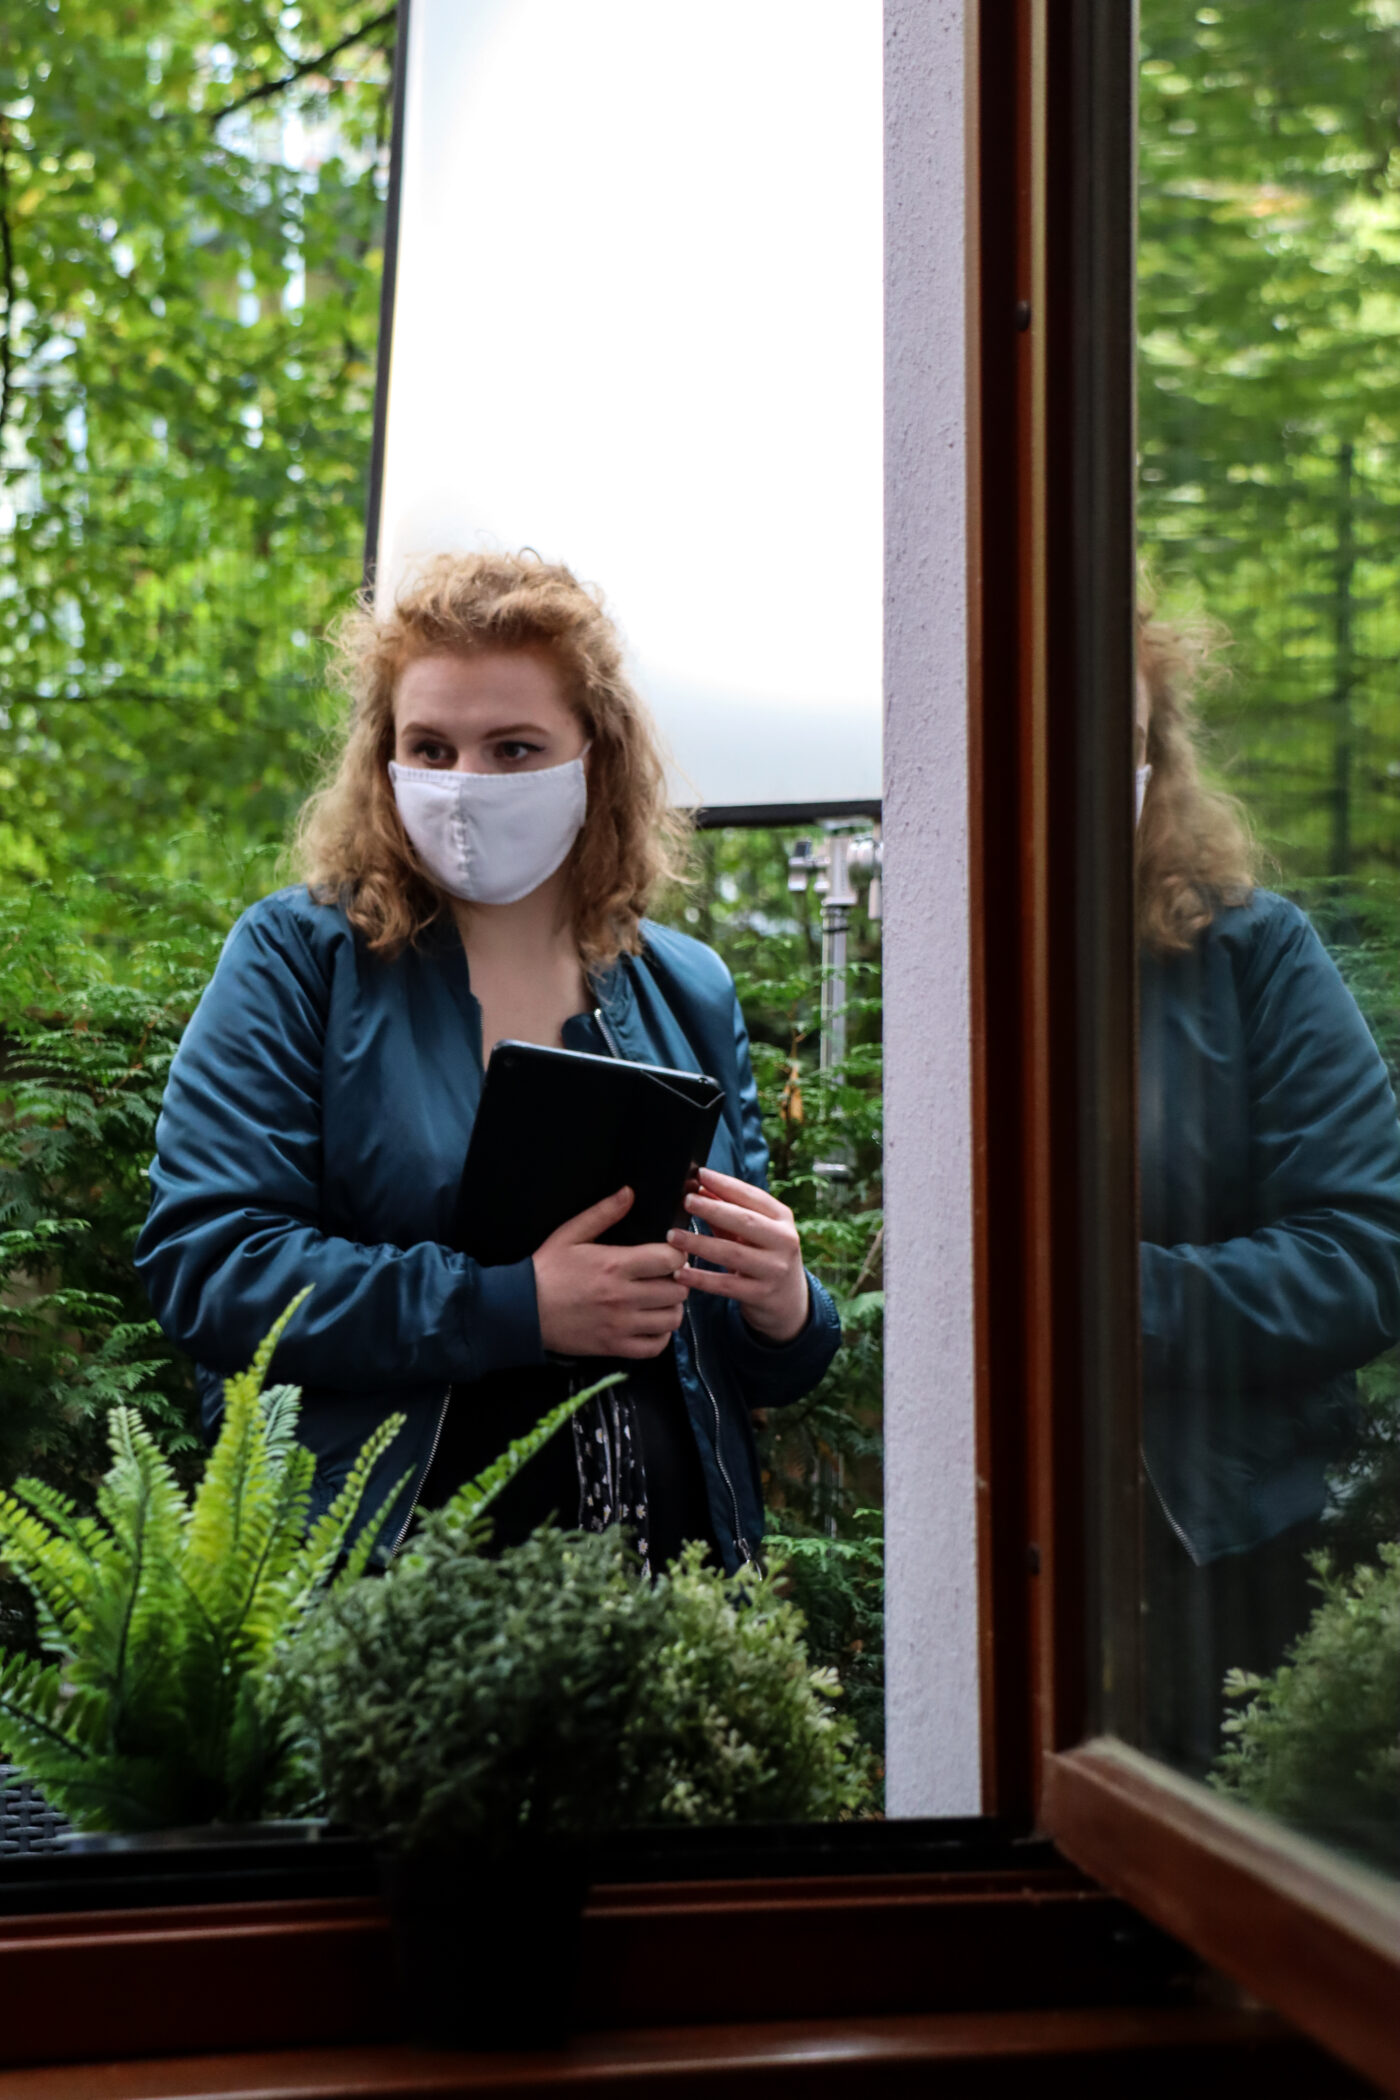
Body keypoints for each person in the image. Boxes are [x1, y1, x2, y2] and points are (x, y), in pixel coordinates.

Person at [134, 551, 840, 1572]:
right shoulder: (299, 959)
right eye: (430, 747)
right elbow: (210, 1265)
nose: (465, 786)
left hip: (669, 1604)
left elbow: (736, 1356)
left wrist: (785, 1306)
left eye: (513, 749)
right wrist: (515, 1307)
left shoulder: (686, 987)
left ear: (594, 756)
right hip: (386, 1597)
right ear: (383, 759)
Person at [1135, 612, 1400, 1774]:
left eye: (1113, 736)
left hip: (1224, 1555)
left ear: (1156, 752)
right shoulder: (954, 963)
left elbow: (1362, 1253)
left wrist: (1113, 1304)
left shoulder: (1252, 953)